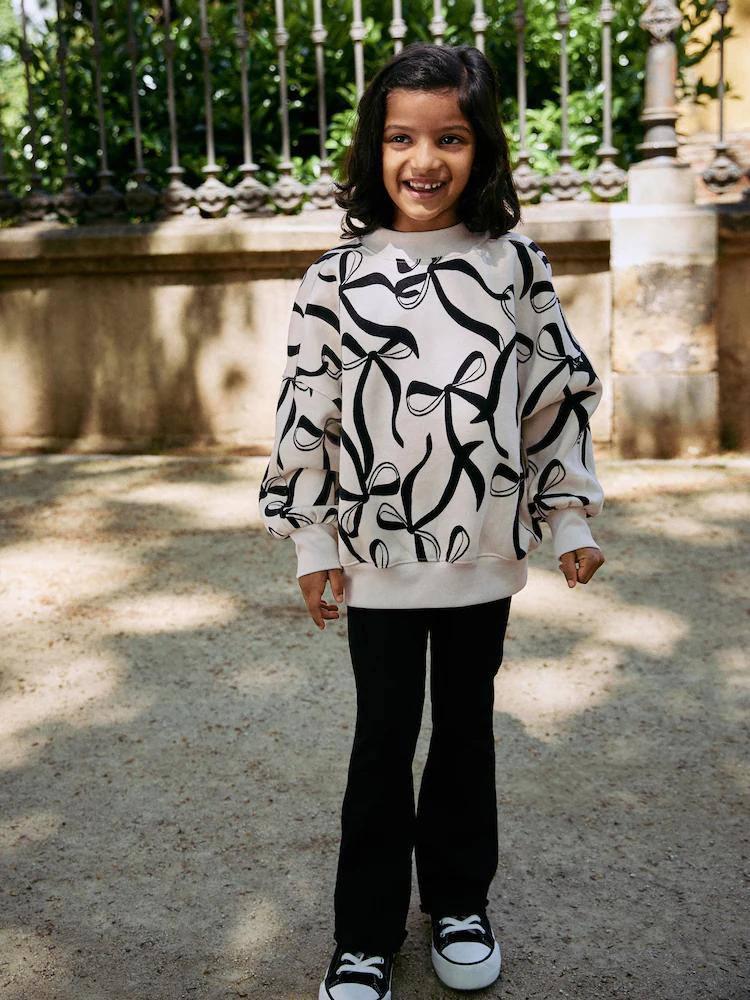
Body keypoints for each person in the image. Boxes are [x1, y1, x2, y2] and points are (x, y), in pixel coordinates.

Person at [258, 40, 606, 1000]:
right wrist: (313, 542)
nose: (424, 160)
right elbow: (308, 416)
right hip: (375, 561)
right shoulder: (334, 278)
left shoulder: (515, 267)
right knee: (382, 737)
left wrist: (571, 520)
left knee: (464, 729)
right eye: (402, 138)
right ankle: (363, 935)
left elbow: (554, 400)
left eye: (450, 138)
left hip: (481, 557)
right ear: (373, 148)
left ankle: (458, 902)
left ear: (481, 147)